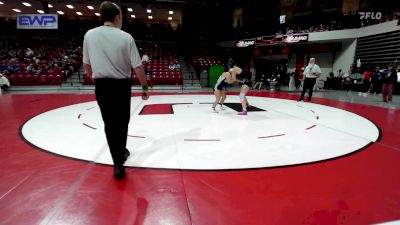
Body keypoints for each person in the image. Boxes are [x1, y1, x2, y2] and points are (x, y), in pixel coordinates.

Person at [83, 1, 149, 179]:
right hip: (121, 86)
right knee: (122, 122)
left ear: (102, 16)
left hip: (102, 86)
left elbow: (86, 65)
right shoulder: (125, 37)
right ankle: (120, 156)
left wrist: (95, 79)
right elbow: (138, 67)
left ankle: (118, 163)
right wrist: (144, 87)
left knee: (109, 124)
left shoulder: (89, 35)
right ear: (117, 17)